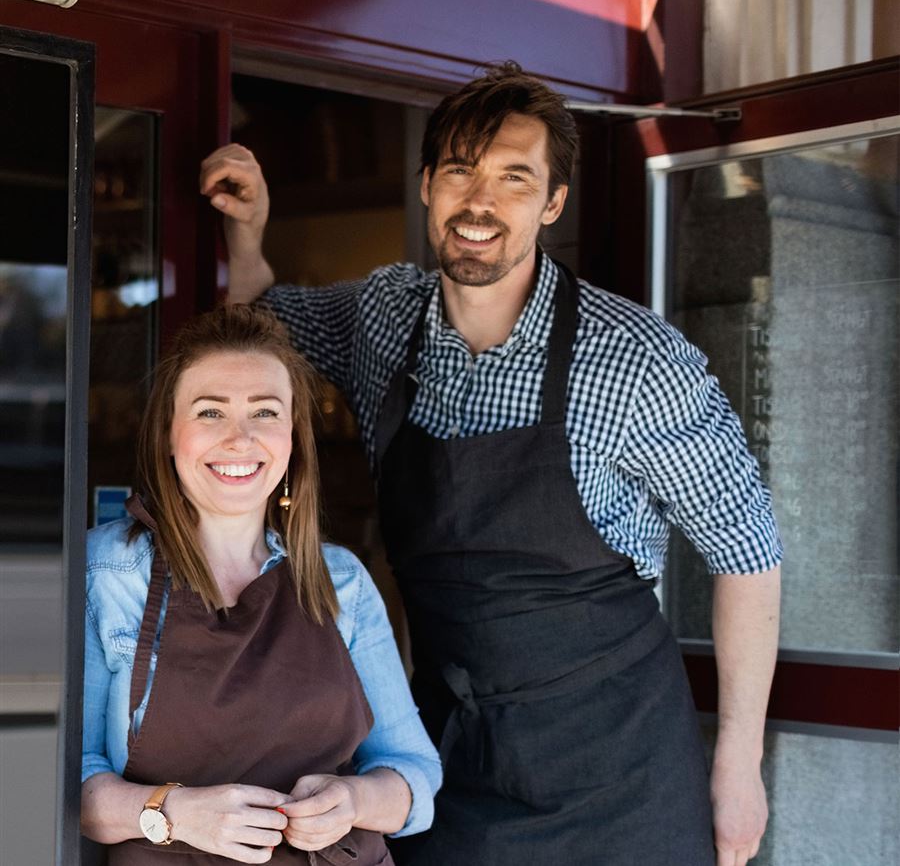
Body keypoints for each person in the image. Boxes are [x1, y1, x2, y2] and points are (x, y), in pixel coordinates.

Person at [200, 62, 782, 866]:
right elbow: (261, 333)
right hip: (451, 756)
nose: (481, 202)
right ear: (428, 186)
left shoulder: (638, 362)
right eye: (461, 171)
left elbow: (747, 556)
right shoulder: (383, 316)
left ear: (552, 203)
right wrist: (247, 234)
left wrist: (738, 765)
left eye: (515, 178)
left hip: (621, 775)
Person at [81, 305, 441, 864]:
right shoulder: (106, 571)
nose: (239, 438)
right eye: (210, 412)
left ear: (293, 438)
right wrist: (175, 814)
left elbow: (415, 775)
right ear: (168, 436)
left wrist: (354, 799)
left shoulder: (340, 579)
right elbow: (62, 780)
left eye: (265, 413)